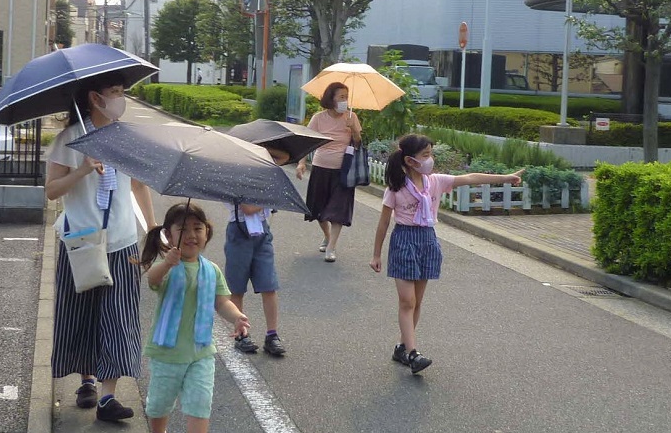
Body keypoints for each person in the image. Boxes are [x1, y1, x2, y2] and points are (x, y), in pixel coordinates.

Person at [45, 72, 156, 421]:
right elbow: (51, 190)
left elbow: (139, 186)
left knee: (118, 318)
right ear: (96, 98)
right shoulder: (69, 139)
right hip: (81, 241)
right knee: (81, 315)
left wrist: (152, 229)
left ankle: (109, 397)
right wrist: (80, 171)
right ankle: (87, 381)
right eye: (116, 93)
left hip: (122, 242)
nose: (121, 99)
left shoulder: (125, 138)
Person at [370, 134, 522, 374]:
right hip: (404, 240)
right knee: (407, 301)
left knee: (417, 301)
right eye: (426, 155)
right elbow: (383, 223)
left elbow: (470, 177)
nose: (431, 159)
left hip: (428, 240)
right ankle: (413, 353)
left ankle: (402, 347)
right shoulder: (395, 188)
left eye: (431, 154)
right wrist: (376, 254)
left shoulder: (435, 181)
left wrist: (505, 178)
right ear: (410, 161)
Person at [137, 202, 250, 433]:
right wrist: (166, 263)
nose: (191, 234)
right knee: (160, 403)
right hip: (167, 350)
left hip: (201, 351)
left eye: (198, 228)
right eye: (183, 229)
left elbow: (221, 301)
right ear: (168, 234)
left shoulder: (211, 269)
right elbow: (152, 280)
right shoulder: (168, 266)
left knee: (201, 401)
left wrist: (236, 317)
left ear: (207, 232)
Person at [224, 146, 291, 356]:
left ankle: (272, 334)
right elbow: (247, 207)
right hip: (238, 232)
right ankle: (242, 334)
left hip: (262, 232)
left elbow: (285, 155)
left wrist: (261, 149)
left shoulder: (263, 171)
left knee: (268, 285)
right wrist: (269, 194)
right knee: (237, 287)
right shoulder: (234, 175)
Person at [296, 82, 362, 263]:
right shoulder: (318, 118)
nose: (344, 101)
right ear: (331, 98)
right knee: (318, 209)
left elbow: (358, 143)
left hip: (343, 170)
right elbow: (306, 141)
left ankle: (331, 247)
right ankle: (327, 236)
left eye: (346, 97)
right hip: (320, 167)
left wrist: (353, 128)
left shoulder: (352, 116)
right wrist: (301, 163)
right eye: (341, 97)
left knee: (338, 209)